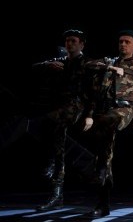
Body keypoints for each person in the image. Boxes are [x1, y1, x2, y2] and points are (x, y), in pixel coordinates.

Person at [81, 29, 133, 217]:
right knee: (104, 153)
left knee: (107, 124)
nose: (123, 44)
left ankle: (100, 170)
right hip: (103, 110)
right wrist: (89, 114)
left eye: (127, 42)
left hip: (124, 109)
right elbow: (89, 68)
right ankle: (102, 202)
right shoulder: (108, 62)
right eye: (121, 41)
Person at [31, 29, 91, 211]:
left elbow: (94, 92)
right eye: (67, 41)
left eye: (73, 41)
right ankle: (57, 196)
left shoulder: (87, 63)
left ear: (81, 44)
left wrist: (89, 115)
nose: (69, 44)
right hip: (60, 108)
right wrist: (48, 65)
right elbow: (34, 67)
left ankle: (50, 160)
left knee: (49, 122)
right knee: (59, 149)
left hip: (77, 107)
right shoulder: (62, 61)